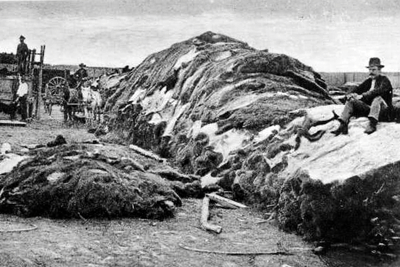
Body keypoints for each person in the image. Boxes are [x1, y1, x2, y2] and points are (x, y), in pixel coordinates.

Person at [332, 57, 393, 135]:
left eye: (373, 70)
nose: (371, 72)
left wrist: (362, 96)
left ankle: (372, 124)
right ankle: (343, 124)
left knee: (377, 98)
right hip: (370, 110)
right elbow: (357, 88)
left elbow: (377, 91)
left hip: (383, 111)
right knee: (351, 100)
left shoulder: (385, 80)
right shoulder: (368, 81)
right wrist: (350, 94)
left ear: (379, 70)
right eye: (370, 70)